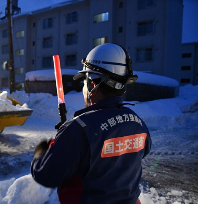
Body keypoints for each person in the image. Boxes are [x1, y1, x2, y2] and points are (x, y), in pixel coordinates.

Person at [31, 43, 152, 204]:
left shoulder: (79, 130)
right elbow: (140, 151)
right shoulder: (137, 121)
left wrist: (41, 152)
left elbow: (47, 175)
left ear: (93, 84)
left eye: (84, 82)